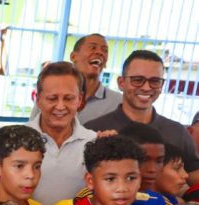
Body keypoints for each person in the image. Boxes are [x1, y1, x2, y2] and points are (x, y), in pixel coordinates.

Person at [85, 50, 199, 186]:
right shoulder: (94, 130)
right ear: (121, 82)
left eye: (154, 81)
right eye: (138, 80)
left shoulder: (177, 132)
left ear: (162, 85)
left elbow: (193, 175)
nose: (146, 87)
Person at [27, 61, 97, 205]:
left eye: (68, 98)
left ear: (80, 99)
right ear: (38, 99)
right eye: (52, 98)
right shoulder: (16, 139)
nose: (60, 106)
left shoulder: (94, 142)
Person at [30, 34, 123, 124]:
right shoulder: (48, 94)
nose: (100, 53)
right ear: (73, 56)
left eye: (105, 50)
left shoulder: (118, 102)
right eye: (93, 48)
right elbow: (31, 130)